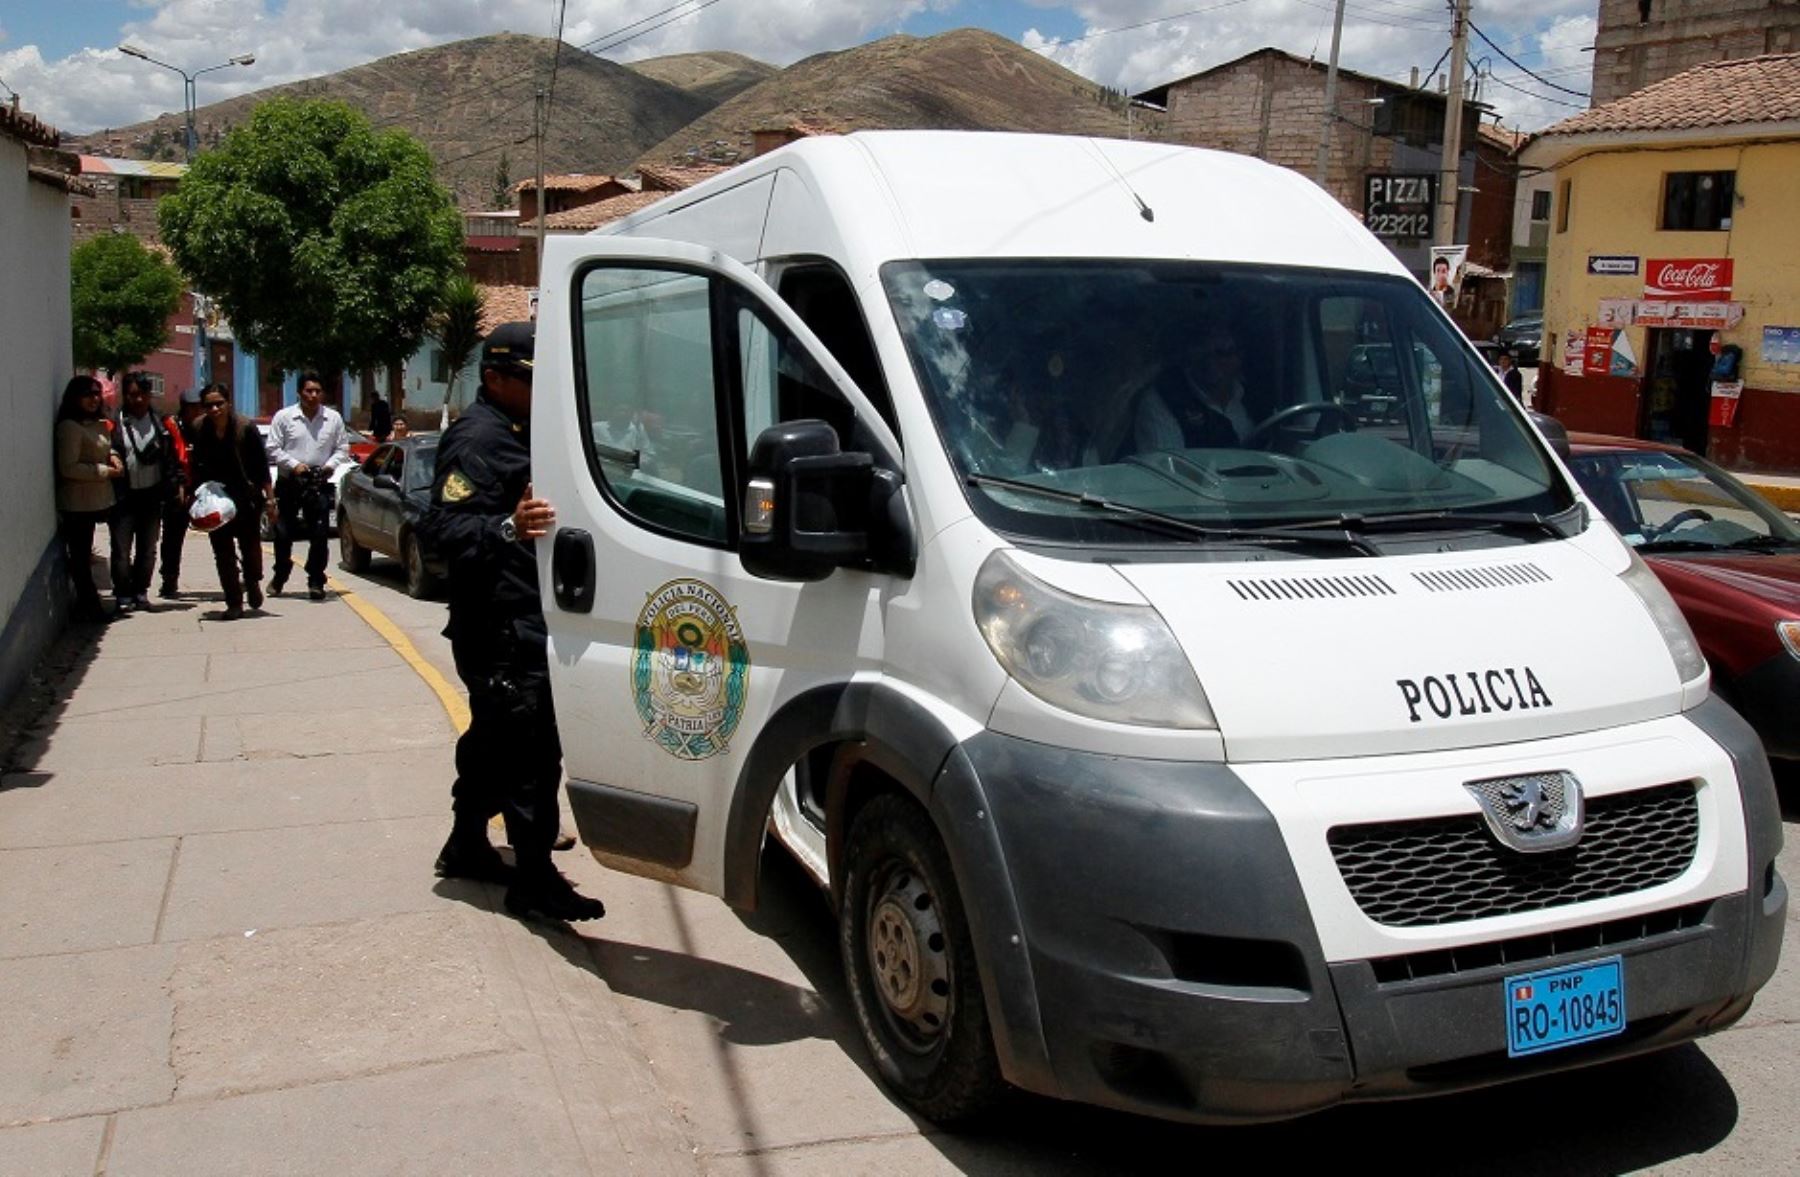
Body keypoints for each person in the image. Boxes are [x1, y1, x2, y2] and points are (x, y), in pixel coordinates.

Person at [418, 321, 604, 923]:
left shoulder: (521, 430)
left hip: (517, 618)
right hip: (499, 625)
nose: (538, 390)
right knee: (530, 752)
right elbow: (440, 529)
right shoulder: (477, 437)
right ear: (495, 379)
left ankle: (467, 844)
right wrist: (508, 527)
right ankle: (534, 878)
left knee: (494, 742)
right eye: (529, 379)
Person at [266, 371, 350, 601]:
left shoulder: (333, 418)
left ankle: (316, 580)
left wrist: (329, 466)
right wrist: (295, 466)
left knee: (320, 535)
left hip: (318, 483)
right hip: (289, 482)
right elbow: (272, 448)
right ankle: (280, 573)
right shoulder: (284, 417)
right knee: (283, 534)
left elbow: (342, 448)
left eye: (317, 391)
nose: (313, 395)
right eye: (308, 391)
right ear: (299, 392)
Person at [190, 385, 272, 620]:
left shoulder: (245, 428)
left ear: (228, 403)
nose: (215, 409)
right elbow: (195, 463)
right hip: (215, 497)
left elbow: (262, 467)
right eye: (209, 405)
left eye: (219, 403)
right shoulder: (199, 428)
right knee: (223, 552)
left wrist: (270, 500)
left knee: (250, 548)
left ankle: (252, 581)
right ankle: (234, 601)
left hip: (246, 496)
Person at [55, 376, 123, 622]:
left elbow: (103, 446)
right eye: (87, 394)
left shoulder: (97, 423)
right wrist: (106, 471)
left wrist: (114, 456)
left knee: (88, 556)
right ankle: (89, 607)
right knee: (80, 559)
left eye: (96, 394)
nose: (94, 399)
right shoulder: (70, 427)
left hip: (97, 501)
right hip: (78, 503)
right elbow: (69, 467)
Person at [108, 374, 178, 612]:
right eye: (133, 394)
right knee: (121, 550)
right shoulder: (114, 423)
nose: (138, 399)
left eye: (143, 394)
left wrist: (174, 487)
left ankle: (140, 591)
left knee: (147, 550)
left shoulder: (162, 424)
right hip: (123, 497)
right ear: (124, 395)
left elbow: (172, 459)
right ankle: (123, 593)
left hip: (151, 496)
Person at [1134, 324, 1255, 452]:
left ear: (1239, 356)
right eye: (1203, 353)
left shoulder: (1255, 395)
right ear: (1189, 355)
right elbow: (1166, 462)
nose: (1211, 362)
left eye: (1222, 352)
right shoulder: (1165, 401)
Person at [157, 386, 204, 598]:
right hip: (177, 492)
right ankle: (169, 578)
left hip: (202, 490)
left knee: (222, 534)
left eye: (199, 408)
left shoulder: (206, 429)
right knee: (172, 539)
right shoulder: (171, 430)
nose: (197, 412)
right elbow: (169, 462)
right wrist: (179, 484)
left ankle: (233, 575)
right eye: (192, 408)